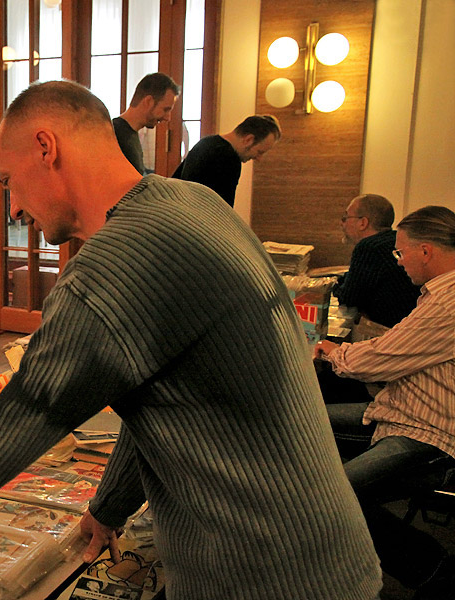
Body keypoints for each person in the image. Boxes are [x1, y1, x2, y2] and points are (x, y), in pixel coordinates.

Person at [0, 81, 381, 599]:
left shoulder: (112, 267)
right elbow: (154, 397)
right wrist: (109, 506)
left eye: (8, 181)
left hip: (259, 574)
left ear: (46, 147)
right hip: (326, 549)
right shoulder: (193, 202)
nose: (13, 206)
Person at [314, 205, 455, 600]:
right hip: (400, 409)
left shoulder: (448, 302)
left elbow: (384, 357)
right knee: (304, 422)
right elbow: (397, 344)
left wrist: (332, 352)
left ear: (425, 251)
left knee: (333, 498)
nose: (398, 261)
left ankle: (434, 572)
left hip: (430, 431)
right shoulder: (437, 294)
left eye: (400, 252)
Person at [333, 194, 420, 330]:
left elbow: (349, 300)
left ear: (363, 223)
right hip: (412, 325)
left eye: (345, 218)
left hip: (391, 331)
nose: (342, 224)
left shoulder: (369, 247)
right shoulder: (394, 240)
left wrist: (335, 287)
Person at [171, 114, 281, 207]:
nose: (259, 158)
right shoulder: (229, 159)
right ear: (249, 139)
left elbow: (175, 182)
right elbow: (223, 213)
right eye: (259, 152)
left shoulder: (205, 142)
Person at [112, 73, 180, 175]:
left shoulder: (130, 134)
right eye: (165, 109)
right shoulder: (114, 135)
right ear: (148, 101)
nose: (167, 118)